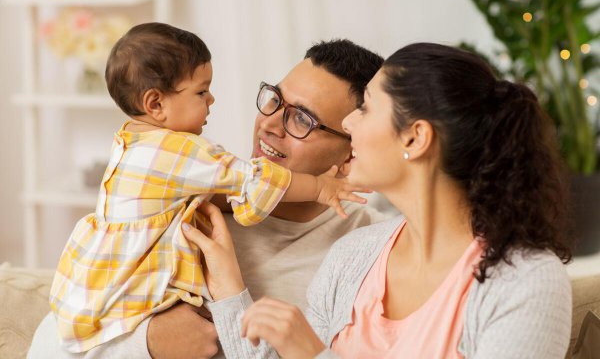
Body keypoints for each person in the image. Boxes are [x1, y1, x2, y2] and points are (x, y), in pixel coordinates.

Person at [182, 42, 574, 358]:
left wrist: (314, 355)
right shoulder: (354, 256)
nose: (350, 126)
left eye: (366, 109)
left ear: (415, 138)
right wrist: (231, 290)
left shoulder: (526, 280)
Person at [28, 39, 386, 358]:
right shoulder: (186, 203)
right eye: (275, 100)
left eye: (302, 120)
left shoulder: (370, 252)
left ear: (351, 153)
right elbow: (49, 343)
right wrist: (149, 344)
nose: (271, 124)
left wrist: (234, 296)